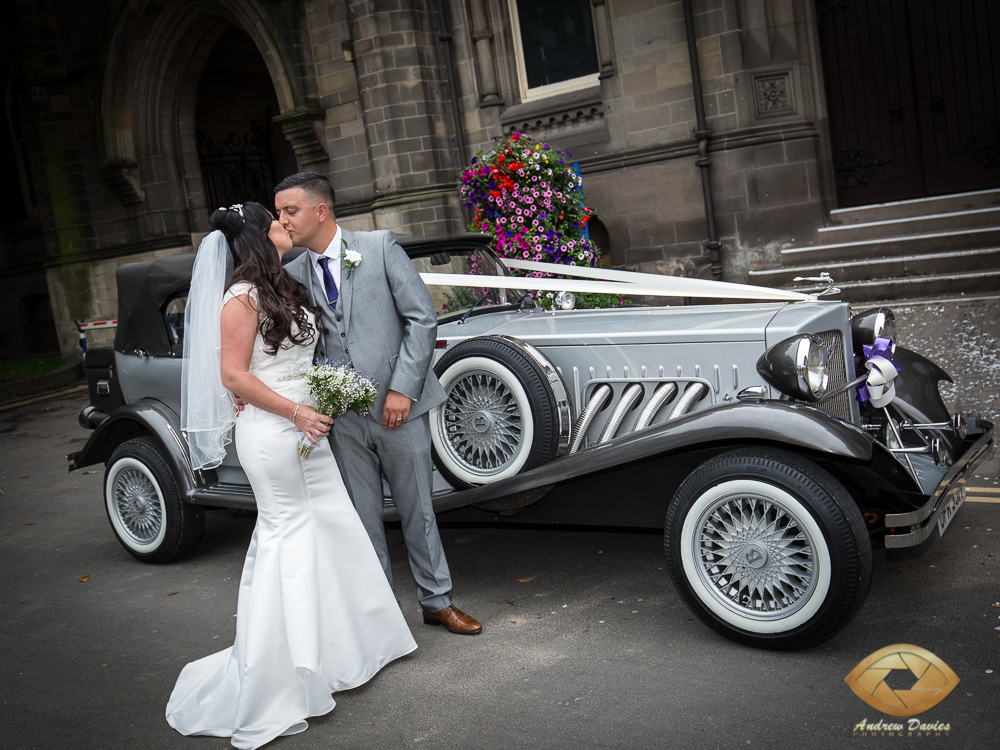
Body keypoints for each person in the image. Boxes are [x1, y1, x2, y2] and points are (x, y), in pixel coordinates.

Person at [166, 202, 417, 750]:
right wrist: (295, 411)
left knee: (330, 527)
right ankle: (284, 671)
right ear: (259, 235)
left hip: (311, 425)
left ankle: (342, 650)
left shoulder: (282, 285)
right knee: (287, 534)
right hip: (277, 433)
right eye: (273, 218)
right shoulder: (240, 298)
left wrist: (319, 397)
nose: (285, 221)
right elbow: (232, 374)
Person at [275, 172, 482, 635]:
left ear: (320, 210)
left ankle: (437, 601)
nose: (282, 220)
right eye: (278, 212)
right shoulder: (291, 274)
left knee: (418, 511)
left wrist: (401, 389)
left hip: (398, 410)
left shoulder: (379, 246)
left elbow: (421, 319)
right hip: (342, 420)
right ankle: (382, 615)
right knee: (361, 519)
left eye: (290, 211)